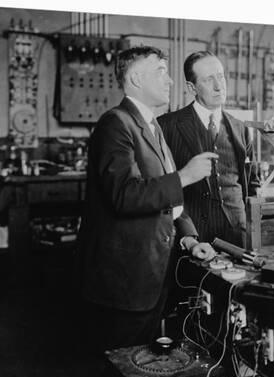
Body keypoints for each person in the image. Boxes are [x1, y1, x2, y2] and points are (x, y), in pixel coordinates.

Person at [76, 46, 217, 355]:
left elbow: (168, 200)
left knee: (142, 367)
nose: (169, 81)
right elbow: (124, 195)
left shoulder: (152, 127)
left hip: (152, 277)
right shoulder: (116, 123)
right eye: (161, 72)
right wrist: (185, 176)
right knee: (124, 371)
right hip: (125, 284)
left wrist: (190, 239)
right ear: (137, 79)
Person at [158, 51, 258, 248]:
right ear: (192, 87)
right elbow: (161, 190)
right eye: (208, 79)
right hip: (190, 238)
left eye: (220, 76)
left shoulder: (241, 128)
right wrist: (186, 237)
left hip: (237, 237)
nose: (218, 85)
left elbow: (252, 182)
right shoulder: (167, 126)